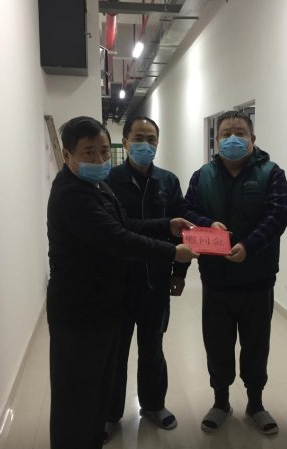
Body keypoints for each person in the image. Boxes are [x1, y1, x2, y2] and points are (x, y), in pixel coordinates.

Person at [46, 116, 198, 449]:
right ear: (67, 154)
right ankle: (96, 426)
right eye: (89, 152)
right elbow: (120, 239)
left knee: (105, 375)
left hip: (111, 298)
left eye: (103, 151)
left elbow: (125, 223)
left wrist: (166, 225)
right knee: (78, 392)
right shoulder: (74, 195)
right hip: (80, 308)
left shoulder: (98, 186)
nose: (99, 159)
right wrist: (172, 251)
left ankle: (128, 414)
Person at [181, 110, 287, 434]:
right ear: (216, 140)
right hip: (215, 280)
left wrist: (249, 246)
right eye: (226, 133)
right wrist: (206, 223)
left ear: (252, 139)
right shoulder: (202, 176)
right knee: (217, 345)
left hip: (257, 280)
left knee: (256, 346)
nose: (233, 138)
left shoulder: (272, 173)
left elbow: (277, 215)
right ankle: (221, 402)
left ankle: (256, 404)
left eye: (240, 133)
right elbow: (185, 210)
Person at [102, 116, 189, 439]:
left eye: (152, 139)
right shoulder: (108, 181)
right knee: (116, 352)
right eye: (139, 138)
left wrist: (179, 273)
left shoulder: (168, 181)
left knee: (152, 347)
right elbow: (114, 231)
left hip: (156, 281)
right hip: (117, 282)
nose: (146, 144)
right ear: (125, 142)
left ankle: (153, 405)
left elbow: (183, 230)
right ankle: (110, 414)